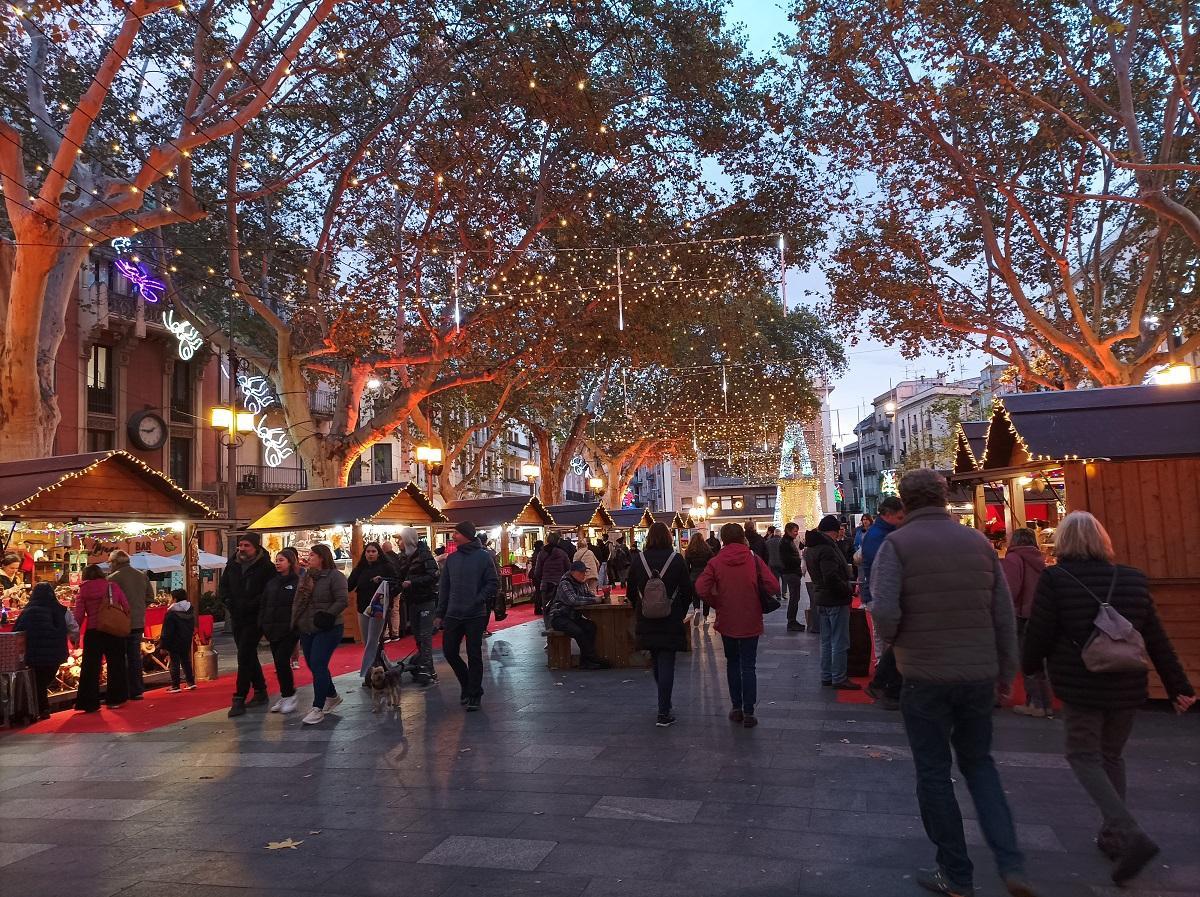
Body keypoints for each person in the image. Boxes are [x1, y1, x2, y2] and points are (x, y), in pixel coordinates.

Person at [870, 469, 1036, 897]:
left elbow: (884, 612)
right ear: (944, 498)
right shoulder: (978, 543)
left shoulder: (897, 545)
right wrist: (1006, 670)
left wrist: (900, 642)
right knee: (981, 766)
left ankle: (956, 872)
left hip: (924, 674)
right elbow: (1002, 611)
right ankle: (1011, 862)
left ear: (904, 504)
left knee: (934, 772)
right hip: (978, 672)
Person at [1022, 511, 1195, 886]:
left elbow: (1040, 631)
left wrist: (1029, 665)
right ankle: (1113, 836)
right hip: (1128, 682)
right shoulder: (1131, 579)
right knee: (1112, 755)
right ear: (1103, 540)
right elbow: (1156, 637)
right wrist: (1178, 685)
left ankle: (1128, 832)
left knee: (1083, 755)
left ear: (1064, 542)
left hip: (1081, 682)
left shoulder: (1056, 579)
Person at [696, 522, 779, 729]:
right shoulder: (753, 559)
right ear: (742, 537)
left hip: (727, 620)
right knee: (749, 666)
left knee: (732, 663)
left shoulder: (716, 562)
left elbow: (700, 587)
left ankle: (736, 707)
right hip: (750, 618)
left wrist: (716, 602)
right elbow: (774, 585)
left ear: (723, 539)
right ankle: (750, 711)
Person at [627, 521, 692, 726]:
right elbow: (687, 590)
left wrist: (641, 607)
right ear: (668, 537)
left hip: (646, 617)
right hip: (670, 617)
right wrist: (679, 609)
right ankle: (664, 711)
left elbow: (630, 591)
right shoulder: (677, 559)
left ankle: (664, 704)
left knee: (656, 658)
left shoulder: (639, 560)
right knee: (666, 661)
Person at [435, 522, 498, 711]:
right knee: (450, 651)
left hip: (475, 614)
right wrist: (440, 613)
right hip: (453, 614)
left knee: (474, 653)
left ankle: (474, 693)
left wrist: (478, 599)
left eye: (456, 533)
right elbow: (444, 587)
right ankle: (467, 683)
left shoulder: (483, 557)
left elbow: (493, 582)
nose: (453, 536)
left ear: (466, 535)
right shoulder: (452, 559)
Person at [219, 532, 276, 717]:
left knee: (244, 654)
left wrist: (252, 604)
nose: (242, 549)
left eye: (246, 546)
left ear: (255, 547)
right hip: (237, 616)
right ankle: (260, 690)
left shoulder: (266, 567)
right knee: (248, 654)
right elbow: (224, 586)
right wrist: (228, 601)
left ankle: (239, 697)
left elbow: (269, 591)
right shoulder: (232, 564)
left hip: (255, 617)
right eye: (240, 545)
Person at [293, 543, 349, 725]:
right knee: (313, 664)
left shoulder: (335, 577)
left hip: (328, 627)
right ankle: (332, 695)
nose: (309, 558)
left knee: (318, 662)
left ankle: (318, 707)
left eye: (312, 555)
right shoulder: (306, 577)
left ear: (322, 558)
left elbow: (342, 600)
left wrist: (328, 615)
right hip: (307, 627)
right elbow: (299, 601)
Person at [1000, 528, 1052, 719]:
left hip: (1021, 614)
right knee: (1038, 660)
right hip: (1038, 613)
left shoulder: (1014, 559)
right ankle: (1044, 703)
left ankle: (1035, 703)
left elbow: (1010, 589)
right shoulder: (1038, 558)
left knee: (1026, 660)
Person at [805, 515, 858, 690]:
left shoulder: (812, 547)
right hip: (834, 598)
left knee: (826, 640)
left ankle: (827, 674)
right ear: (833, 532)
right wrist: (846, 589)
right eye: (837, 533)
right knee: (839, 640)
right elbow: (831, 576)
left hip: (821, 597)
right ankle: (839, 677)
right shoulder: (826, 548)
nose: (838, 537)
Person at [862, 498, 905, 710]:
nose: (901, 521)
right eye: (899, 517)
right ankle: (884, 684)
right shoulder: (881, 537)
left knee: (893, 642)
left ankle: (883, 683)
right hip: (881, 595)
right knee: (892, 641)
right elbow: (883, 568)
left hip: (879, 595)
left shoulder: (880, 534)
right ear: (887, 514)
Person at [72, 564, 129, 712]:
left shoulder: (83, 590)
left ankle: (89, 703)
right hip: (112, 630)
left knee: (90, 667)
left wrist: (74, 634)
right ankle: (115, 699)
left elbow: (78, 615)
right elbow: (126, 606)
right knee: (116, 664)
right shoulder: (112, 586)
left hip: (93, 631)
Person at [14, 582, 69, 719]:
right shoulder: (61, 609)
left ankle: (38, 709)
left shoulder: (27, 610)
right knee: (44, 680)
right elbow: (73, 626)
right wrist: (73, 637)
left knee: (38, 680)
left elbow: (16, 631)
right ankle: (41, 708)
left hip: (34, 654)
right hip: (55, 654)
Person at [348, 541, 399, 685]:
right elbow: (349, 585)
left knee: (373, 641)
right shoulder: (360, 568)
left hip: (379, 608)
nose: (370, 554)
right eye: (368, 551)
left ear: (378, 553)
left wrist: (383, 581)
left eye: (373, 551)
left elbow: (396, 583)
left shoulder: (386, 567)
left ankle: (368, 672)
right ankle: (381, 668)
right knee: (368, 642)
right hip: (362, 608)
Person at [107, 549, 154, 702]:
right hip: (138, 621)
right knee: (135, 657)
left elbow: (110, 601)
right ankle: (137, 690)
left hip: (120, 623)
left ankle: (123, 690)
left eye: (110, 563)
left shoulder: (112, 578)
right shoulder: (142, 576)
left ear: (115, 562)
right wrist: (140, 608)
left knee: (120, 657)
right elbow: (150, 597)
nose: (109, 566)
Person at [547, 560, 610, 670]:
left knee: (590, 627)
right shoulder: (565, 583)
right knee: (578, 631)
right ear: (573, 572)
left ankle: (586, 660)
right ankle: (592, 658)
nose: (583, 575)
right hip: (560, 616)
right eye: (581, 573)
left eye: (584, 572)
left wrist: (598, 598)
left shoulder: (581, 583)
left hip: (572, 616)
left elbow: (589, 595)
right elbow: (573, 600)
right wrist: (595, 600)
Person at [259, 548, 301, 713]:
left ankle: (290, 694)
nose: (278, 563)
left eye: (281, 560)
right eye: (277, 560)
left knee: (283, 661)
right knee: (278, 662)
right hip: (272, 628)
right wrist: (263, 624)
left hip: (289, 629)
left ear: (290, 562)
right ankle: (285, 694)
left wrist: (295, 625)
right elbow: (265, 604)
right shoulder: (272, 583)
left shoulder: (297, 582)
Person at [397, 527, 440, 684]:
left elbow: (433, 575)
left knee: (425, 635)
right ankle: (426, 666)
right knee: (417, 635)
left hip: (426, 600)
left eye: (401, 539)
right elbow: (399, 575)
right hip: (412, 601)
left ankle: (427, 669)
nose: (398, 542)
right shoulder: (403, 557)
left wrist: (412, 582)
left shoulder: (424, 555)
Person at [159, 588, 197, 693]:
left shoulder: (171, 613)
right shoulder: (190, 610)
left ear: (174, 599)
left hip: (174, 641)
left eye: (170, 597)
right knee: (186, 661)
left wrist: (163, 645)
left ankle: (175, 686)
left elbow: (167, 631)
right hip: (186, 639)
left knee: (174, 663)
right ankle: (191, 682)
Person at [533, 532, 573, 618]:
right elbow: (568, 569)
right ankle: (558, 627)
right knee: (559, 608)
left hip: (546, 585)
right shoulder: (562, 553)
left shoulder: (541, 553)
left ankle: (548, 627)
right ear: (558, 541)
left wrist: (543, 579)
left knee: (547, 608)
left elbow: (537, 572)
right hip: (559, 585)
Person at [684, 528, 714, 626]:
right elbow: (712, 563)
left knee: (695, 595)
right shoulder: (707, 550)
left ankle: (696, 609)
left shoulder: (689, 551)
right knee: (706, 597)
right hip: (705, 576)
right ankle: (705, 617)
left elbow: (686, 566)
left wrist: (688, 576)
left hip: (693, 575)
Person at [780, 521, 807, 633]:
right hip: (791, 573)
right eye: (795, 531)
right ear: (788, 531)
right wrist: (798, 559)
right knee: (794, 598)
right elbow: (788, 559)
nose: (796, 533)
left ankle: (792, 620)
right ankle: (791, 621)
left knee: (795, 598)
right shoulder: (786, 543)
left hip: (792, 572)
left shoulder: (788, 541)